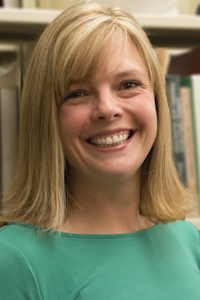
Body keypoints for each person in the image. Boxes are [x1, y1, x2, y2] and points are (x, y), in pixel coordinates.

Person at [0, 2, 199, 299]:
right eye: (77, 93)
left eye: (128, 84)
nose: (107, 109)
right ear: (45, 118)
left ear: (157, 100)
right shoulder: (13, 260)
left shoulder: (186, 239)